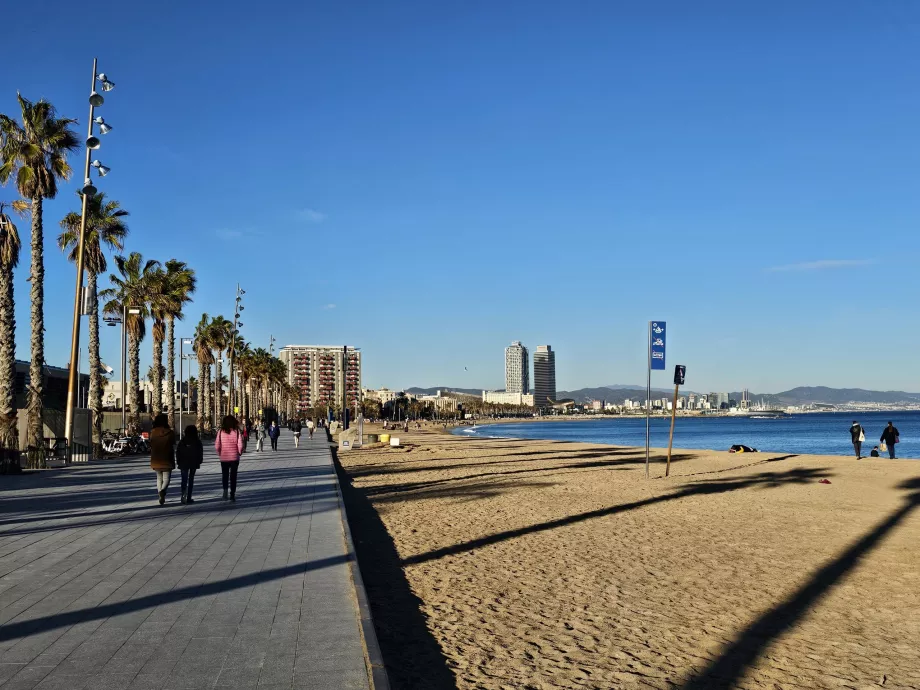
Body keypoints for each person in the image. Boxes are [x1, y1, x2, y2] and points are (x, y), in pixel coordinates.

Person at [149, 413, 176, 505]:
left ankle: (160, 494)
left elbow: (151, 443)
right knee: (166, 478)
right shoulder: (170, 432)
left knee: (159, 478)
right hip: (167, 458)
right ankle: (163, 491)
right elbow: (173, 443)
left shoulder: (153, 432)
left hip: (156, 458)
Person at [215, 415, 244, 501]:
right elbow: (240, 444)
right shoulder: (236, 431)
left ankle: (225, 492)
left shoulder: (221, 431)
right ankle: (232, 494)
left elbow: (217, 445)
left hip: (224, 458)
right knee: (233, 476)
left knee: (225, 475)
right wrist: (239, 452)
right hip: (234, 458)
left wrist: (220, 453)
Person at [176, 425, 203, 504]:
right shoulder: (197, 441)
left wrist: (178, 461)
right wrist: (199, 460)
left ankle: (183, 494)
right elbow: (200, 452)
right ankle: (189, 497)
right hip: (193, 462)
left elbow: (178, 452)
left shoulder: (182, 441)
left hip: (183, 462)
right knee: (191, 479)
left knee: (184, 479)